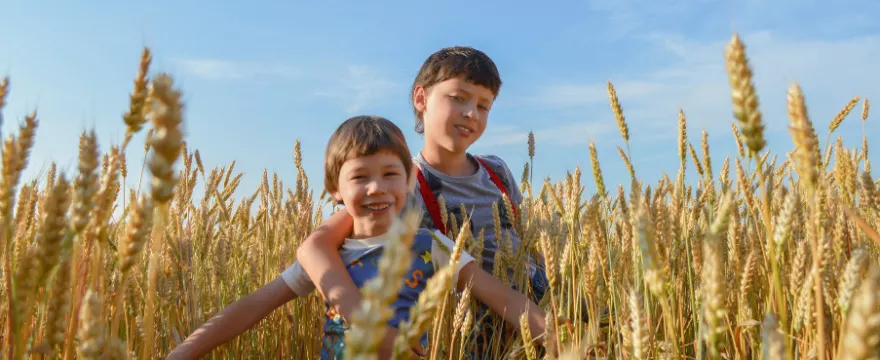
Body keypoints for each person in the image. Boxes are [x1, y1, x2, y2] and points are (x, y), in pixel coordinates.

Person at [166, 115, 547, 360]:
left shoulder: (432, 245)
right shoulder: (330, 258)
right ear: (335, 189)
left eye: (390, 174)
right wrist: (183, 352)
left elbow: (504, 299)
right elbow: (254, 304)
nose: (376, 188)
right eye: (360, 177)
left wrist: (560, 339)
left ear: (409, 180)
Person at [296, 46, 549, 359]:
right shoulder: (399, 186)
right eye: (458, 98)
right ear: (421, 98)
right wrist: (363, 319)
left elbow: (525, 239)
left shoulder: (497, 171)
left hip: (534, 317)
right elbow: (315, 246)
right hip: (472, 336)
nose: (471, 113)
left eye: (483, 106)